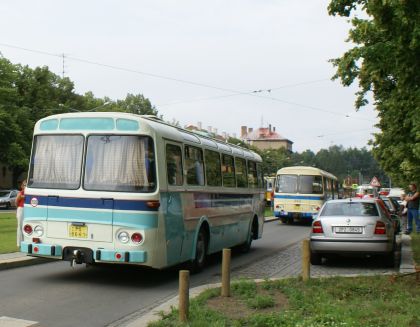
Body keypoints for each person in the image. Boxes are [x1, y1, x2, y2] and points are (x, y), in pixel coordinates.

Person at [15, 180, 26, 248]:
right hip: (21, 209)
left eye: (26, 185)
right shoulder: (21, 193)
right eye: (24, 185)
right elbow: (16, 201)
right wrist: (18, 209)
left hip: (27, 210)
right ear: (22, 186)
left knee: (25, 226)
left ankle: (25, 241)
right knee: (20, 226)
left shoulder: (29, 193)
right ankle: (19, 243)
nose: (25, 186)